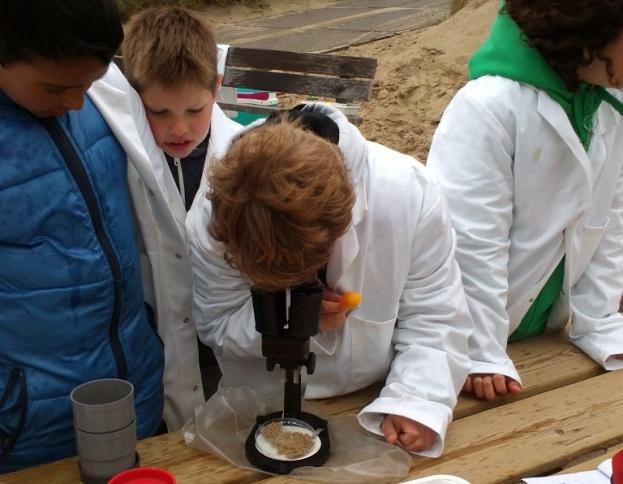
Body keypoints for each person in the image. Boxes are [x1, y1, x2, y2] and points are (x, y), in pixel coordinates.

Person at [186, 103, 473, 456]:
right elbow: (218, 322)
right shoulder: (214, 215)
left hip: (377, 401)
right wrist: (297, 322)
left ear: (340, 223)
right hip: (256, 408)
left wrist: (415, 401)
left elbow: (435, 314)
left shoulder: (407, 195)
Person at [0, 0, 201, 472]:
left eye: (88, 84)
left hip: (139, 389)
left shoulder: (99, 95)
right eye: (57, 87)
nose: (75, 103)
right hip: (31, 428)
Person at [427, 0, 623, 401]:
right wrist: (480, 348)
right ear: (591, 33)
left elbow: (611, 221)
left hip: (549, 328)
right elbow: (470, 240)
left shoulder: (609, 107)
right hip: (472, 329)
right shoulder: (489, 105)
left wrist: (601, 321)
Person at [122, 6, 242, 398]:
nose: (179, 128)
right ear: (132, 95)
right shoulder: (121, 162)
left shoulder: (244, 153)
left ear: (217, 86)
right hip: (157, 354)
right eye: (159, 111)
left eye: (195, 110)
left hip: (230, 347)